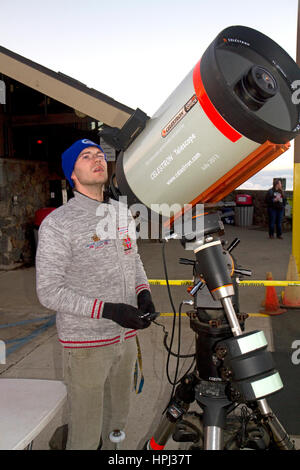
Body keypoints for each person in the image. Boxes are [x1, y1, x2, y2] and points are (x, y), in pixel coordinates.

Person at [35, 138, 155, 450]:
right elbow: (49, 292)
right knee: (86, 435)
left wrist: (144, 293)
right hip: (86, 346)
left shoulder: (121, 213)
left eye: (99, 155)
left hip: (125, 340)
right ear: (71, 173)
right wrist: (109, 310)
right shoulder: (58, 224)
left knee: (116, 423)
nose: (96, 159)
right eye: (86, 157)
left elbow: (134, 260)